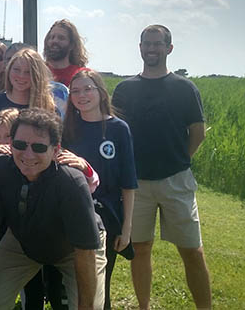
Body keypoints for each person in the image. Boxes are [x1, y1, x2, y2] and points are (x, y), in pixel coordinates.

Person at [111, 25, 211, 310]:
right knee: (140, 249)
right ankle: (143, 307)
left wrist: (179, 159)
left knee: (192, 251)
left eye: (157, 44)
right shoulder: (125, 89)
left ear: (169, 48)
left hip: (176, 180)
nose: (151, 49)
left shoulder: (184, 88)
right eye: (146, 43)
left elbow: (198, 132)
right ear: (140, 47)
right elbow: (117, 132)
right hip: (136, 184)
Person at [0, 108, 107, 310]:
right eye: (19, 144)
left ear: (56, 150)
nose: (28, 154)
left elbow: (85, 251)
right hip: (21, 241)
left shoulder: (71, 182)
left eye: (39, 147)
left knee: (90, 307)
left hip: (74, 248)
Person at [63, 69, 137, 310]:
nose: (81, 95)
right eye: (75, 91)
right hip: (69, 214)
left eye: (87, 89)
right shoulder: (66, 128)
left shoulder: (118, 129)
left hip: (106, 217)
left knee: (98, 286)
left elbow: (128, 182)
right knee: (66, 285)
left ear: (100, 92)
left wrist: (126, 231)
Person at [43, 19, 88, 87]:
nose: (55, 41)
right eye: (52, 37)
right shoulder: (36, 72)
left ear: (72, 45)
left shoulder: (82, 76)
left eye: (61, 38)